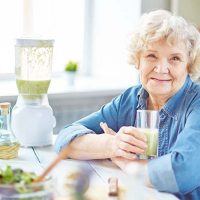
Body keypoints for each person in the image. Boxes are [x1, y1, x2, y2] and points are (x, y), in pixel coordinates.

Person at [55, 10, 200, 199]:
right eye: (151, 56)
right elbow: (65, 140)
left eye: (175, 58)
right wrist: (113, 144)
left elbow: (181, 174)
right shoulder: (130, 99)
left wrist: (126, 163)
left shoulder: (196, 104)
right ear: (137, 60)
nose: (162, 68)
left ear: (188, 65)